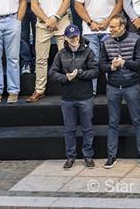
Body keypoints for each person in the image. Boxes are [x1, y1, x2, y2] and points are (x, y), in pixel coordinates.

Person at [100, 14, 140, 168]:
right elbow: (101, 64)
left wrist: (124, 63)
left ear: (122, 27)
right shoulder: (105, 41)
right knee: (113, 121)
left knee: (138, 120)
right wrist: (111, 67)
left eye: (113, 27)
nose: (110, 29)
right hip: (113, 86)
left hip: (131, 85)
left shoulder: (135, 39)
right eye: (110, 27)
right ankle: (111, 155)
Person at [49, 24, 98, 170]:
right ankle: (70, 157)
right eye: (71, 37)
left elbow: (95, 71)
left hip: (85, 97)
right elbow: (52, 73)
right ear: (65, 38)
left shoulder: (88, 52)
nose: (74, 39)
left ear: (79, 36)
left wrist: (79, 74)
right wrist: (66, 78)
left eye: (76, 36)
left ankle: (88, 156)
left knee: (87, 128)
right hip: (68, 98)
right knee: (69, 129)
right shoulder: (61, 54)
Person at [27, 0, 72, 103]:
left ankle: (69, 88)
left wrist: (56, 18)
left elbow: (66, 1)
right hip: (43, 23)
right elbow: (34, 5)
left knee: (66, 57)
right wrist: (47, 20)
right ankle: (39, 90)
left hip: (62, 21)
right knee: (41, 59)